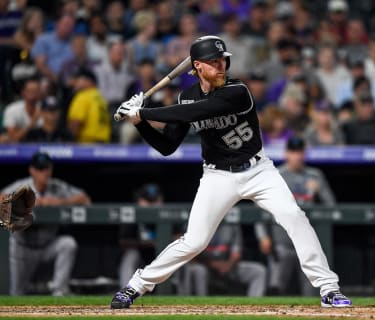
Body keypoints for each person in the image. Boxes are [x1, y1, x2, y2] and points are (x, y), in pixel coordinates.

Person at [111, 35, 351, 308]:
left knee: (294, 216)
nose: (221, 66)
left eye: (223, 60)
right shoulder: (186, 97)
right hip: (218, 176)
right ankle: (135, 287)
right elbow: (166, 146)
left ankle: (329, 289)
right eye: (214, 62)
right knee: (194, 242)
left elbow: (195, 112)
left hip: (259, 171)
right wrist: (138, 122)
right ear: (198, 66)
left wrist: (144, 112)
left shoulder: (237, 91)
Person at [1, 152, 91, 296]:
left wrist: (59, 202)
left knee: (67, 244)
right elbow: (1, 199)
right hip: (23, 248)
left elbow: (85, 199)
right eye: (40, 169)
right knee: (17, 293)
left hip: (48, 246)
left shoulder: (57, 187)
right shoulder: (23, 186)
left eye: (46, 168)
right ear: (32, 170)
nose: (44, 172)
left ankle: (59, 291)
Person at [256, 136, 336, 296]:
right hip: (282, 244)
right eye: (293, 152)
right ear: (286, 154)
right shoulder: (275, 175)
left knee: (311, 294)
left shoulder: (315, 175)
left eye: (300, 152)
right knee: (276, 289)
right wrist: (262, 236)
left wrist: (319, 191)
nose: (297, 156)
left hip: (308, 244)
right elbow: (259, 211)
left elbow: (332, 208)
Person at [176, 218, 267, 297]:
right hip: (205, 266)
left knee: (258, 271)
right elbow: (189, 254)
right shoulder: (196, 224)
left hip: (228, 266)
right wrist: (212, 264)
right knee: (199, 270)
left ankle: (254, 308)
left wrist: (228, 265)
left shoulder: (230, 225)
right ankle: (201, 306)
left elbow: (236, 253)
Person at [118, 183, 163, 287]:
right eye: (148, 201)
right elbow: (123, 242)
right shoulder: (132, 215)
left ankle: (183, 298)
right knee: (131, 255)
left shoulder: (168, 214)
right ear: (139, 200)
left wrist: (160, 243)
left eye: (155, 201)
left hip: (161, 254)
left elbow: (179, 237)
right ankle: (124, 292)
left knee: (177, 256)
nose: (152, 204)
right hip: (141, 254)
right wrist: (146, 244)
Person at [67, 68, 111, 143]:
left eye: (78, 80)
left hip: (87, 144)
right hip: (104, 143)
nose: (75, 83)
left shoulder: (83, 96)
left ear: (88, 81)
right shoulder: (101, 97)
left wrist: (70, 140)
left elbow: (76, 122)